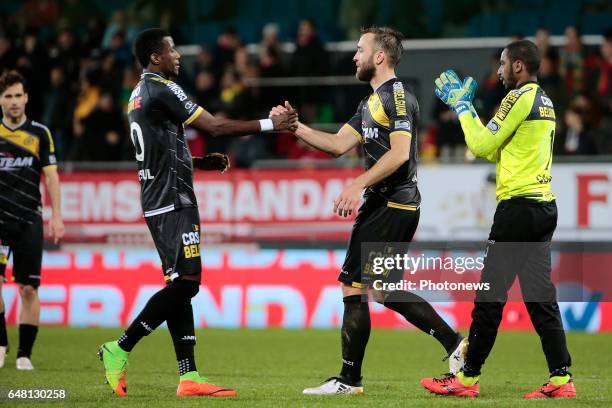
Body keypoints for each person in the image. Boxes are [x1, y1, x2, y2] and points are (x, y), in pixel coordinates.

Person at [97, 28, 296, 398]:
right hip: (173, 200)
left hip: (159, 196)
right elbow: (215, 125)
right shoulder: (162, 87)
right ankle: (120, 346)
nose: (178, 55)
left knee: (180, 284)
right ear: (155, 57)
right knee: (188, 282)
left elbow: (160, 143)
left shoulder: (138, 94)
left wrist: (197, 161)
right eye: (172, 50)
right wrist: (272, 125)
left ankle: (189, 377)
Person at [271, 26, 466, 396]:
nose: (354, 56)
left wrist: (355, 184)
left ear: (380, 56)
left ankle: (349, 380)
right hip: (389, 202)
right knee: (385, 290)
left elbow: (400, 152)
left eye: (361, 49)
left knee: (354, 286)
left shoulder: (397, 95)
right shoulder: (369, 104)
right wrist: (294, 126)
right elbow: (335, 144)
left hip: (391, 201)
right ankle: (456, 345)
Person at [421, 40, 575, 399]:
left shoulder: (517, 98)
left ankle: (467, 378)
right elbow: (501, 151)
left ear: (519, 65)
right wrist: (473, 113)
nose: (499, 70)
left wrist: (462, 107)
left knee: (489, 297)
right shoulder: (545, 101)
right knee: (540, 298)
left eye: (503, 64)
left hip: (517, 211)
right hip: (543, 207)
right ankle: (561, 378)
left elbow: (479, 147)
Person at [0, 70, 64, 370]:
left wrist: (57, 215)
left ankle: (24, 354)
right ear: (1, 100)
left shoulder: (40, 133)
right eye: (8, 96)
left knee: (28, 289)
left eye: (18, 95)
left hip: (28, 219)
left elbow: (51, 176)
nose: (14, 102)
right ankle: (1, 342)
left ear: (26, 98)